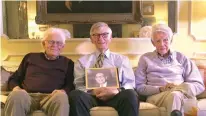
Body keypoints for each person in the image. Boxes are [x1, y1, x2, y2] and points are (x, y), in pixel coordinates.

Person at [69, 22, 139, 116]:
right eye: (96, 35)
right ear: (91, 39)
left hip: (116, 96)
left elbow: (130, 83)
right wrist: (94, 91)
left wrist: (116, 91)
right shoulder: (82, 62)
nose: (100, 38)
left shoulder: (122, 60)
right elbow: (79, 85)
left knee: (130, 94)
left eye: (105, 35)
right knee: (75, 95)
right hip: (91, 96)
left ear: (110, 38)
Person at [135, 23, 205, 116]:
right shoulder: (145, 59)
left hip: (180, 94)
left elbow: (199, 85)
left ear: (170, 40)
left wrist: (179, 88)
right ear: (153, 43)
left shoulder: (182, 58)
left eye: (165, 40)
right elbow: (139, 87)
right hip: (156, 97)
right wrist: (161, 89)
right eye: (158, 41)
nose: (162, 44)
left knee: (178, 93)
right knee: (176, 95)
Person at [4, 28, 75, 116]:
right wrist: (16, 89)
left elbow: (70, 84)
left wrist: (63, 91)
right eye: (51, 42)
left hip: (51, 98)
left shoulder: (68, 63)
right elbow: (14, 78)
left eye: (59, 43)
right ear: (43, 44)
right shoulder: (30, 57)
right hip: (27, 96)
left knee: (61, 97)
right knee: (16, 95)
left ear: (63, 46)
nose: (55, 45)